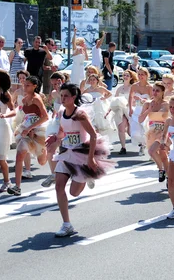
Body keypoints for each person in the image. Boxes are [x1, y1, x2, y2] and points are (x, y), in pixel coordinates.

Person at [46, 83, 116, 237]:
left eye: (66, 96)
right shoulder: (62, 112)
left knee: (74, 193)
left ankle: (86, 177)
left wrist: (90, 158)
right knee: (59, 187)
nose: (63, 98)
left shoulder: (80, 114)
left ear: (73, 97)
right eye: (61, 95)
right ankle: (66, 224)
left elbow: (93, 135)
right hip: (66, 154)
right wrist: (55, 140)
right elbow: (62, 132)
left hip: (81, 155)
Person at [8, 76, 49, 196]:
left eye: (28, 85)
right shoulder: (25, 99)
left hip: (38, 130)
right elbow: (25, 115)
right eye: (24, 85)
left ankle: (47, 152)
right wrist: (23, 127)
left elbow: (45, 117)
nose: (24, 87)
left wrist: (31, 128)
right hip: (26, 128)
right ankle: (17, 186)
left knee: (42, 161)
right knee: (19, 154)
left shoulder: (37, 99)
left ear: (34, 86)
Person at [139, 82, 170, 182]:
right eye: (153, 90)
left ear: (162, 92)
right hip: (152, 132)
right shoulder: (147, 103)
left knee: (152, 151)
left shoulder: (166, 104)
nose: (155, 92)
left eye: (157, 90)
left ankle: (161, 171)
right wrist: (149, 110)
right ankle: (168, 175)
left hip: (163, 132)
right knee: (163, 156)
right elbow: (140, 119)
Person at [107, 70, 136, 155]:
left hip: (130, 109)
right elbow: (114, 101)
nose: (125, 77)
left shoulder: (133, 87)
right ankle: (123, 147)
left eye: (127, 75)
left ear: (131, 77)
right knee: (121, 128)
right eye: (124, 75)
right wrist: (109, 111)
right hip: (120, 111)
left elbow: (135, 100)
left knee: (131, 131)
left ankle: (141, 142)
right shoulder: (119, 88)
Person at [129, 68, 153, 155]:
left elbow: (153, 101)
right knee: (135, 133)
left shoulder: (150, 87)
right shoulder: (134, 86)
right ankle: (142, 145)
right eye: (139, 74)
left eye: (142, 74)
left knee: (145, 131)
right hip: (136, 110)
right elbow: (130, 97)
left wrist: (142, 100)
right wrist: (130, 108)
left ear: (147, 75)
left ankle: (147, 146)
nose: (140, 76)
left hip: (146, 111)